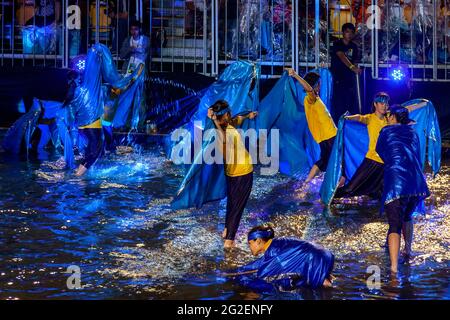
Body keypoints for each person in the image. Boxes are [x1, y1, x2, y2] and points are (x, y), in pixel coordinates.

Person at [376, 105, 430, 273]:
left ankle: (393, 269)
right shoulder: (414, 132)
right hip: (416, 182)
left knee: (394, 225)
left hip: (396, 183)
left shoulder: (385, 131)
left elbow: (380, 152)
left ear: (393, 117)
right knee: (407, 216)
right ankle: (408, 250)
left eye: (389, 115)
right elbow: (418, 156)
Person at [207, 100, 257, 248]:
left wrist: (249, 115)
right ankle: (229, 241)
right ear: (225, 115)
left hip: (233, 173)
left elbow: (238, 119)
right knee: (238, 207)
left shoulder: (228, 125)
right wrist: (215, 122)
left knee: (232, 204)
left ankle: (226, 230)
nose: (230, 115)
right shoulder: (220, 132)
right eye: (228, 113)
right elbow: (223, 141)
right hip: (243, 172)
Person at [224, 225, 334, 289]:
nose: (249, 247)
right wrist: (234, 271)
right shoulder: (277, 243)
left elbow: (267, 271)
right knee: (324, 281)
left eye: (249, 243)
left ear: (258, 241)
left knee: (325, 287)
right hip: (324, 254)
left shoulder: (275, 254)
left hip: (315, 259)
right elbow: (262, 262)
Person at [334, 92, 390, 200]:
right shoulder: (370, 118)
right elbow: (359, 118)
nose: (384, 106)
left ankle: (377, 214)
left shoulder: (390, 118)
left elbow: (406, 109)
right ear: (375, 104)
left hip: (385, 164)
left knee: (378, 192)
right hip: (372, 160)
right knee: (351, 189)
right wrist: (347, 118)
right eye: (382, 103)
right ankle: (329, 198)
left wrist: (423, 104)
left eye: (386, 104)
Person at [287, 69, 337, 183]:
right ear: (314, 84)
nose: (320, 85)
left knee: (324, 161)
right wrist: (295, 75)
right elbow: (309, 89)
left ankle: (308, 182)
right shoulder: (310, 99)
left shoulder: (316, 98)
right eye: (318, 83)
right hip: (328, 137)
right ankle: (312, 182)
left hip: (329, 135)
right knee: (330, 160)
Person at [330, 22, 362, 122]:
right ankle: (337, 124)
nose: (349, 34)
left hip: (349, 80)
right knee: (338, 103)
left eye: (351, 32)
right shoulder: (337, 43)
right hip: (338, 79)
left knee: (349, 103)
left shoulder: (354, 46)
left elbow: (355, 60)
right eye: (347, 32)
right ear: (343, 32)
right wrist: (352, 67)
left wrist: (356, 68)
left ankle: (347, 124)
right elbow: (341, 56)